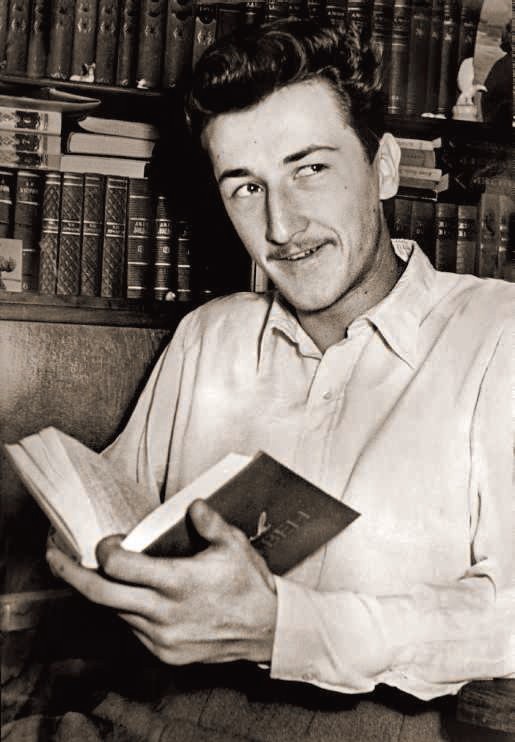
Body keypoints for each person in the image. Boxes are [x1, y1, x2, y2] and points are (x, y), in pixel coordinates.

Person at [46, 18, 514, 738]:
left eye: (311, 169)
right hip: (143, 710)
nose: (281, 226)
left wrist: (282, 628)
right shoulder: (209, 335)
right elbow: (112, 512)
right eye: (244, 187)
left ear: (385, 168)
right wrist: (82, 545)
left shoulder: (495, 334)